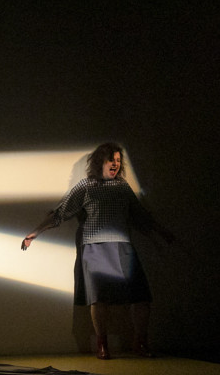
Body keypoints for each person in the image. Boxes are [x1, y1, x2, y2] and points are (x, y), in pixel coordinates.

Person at [21, 142, 174, 359]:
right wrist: (35, 233)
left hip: (122, 245)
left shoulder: (122, 187)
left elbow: (140, 215)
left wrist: (162, 233)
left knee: (141, 297)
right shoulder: (85, 186)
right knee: (99, 298)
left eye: (118, 161)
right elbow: (60, 212)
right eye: (111, 159)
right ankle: (102, 344)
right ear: (100, 162)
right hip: (95, 246)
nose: (115, 164)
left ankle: (139, 341)